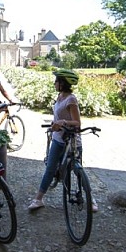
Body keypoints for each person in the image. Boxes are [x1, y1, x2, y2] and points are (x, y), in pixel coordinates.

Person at [27, 69, 98, 212]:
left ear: (63, 83)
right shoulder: (59, 97)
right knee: (50, 168)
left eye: (57, 81)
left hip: (72, 141)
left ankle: (91, 199)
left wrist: (63, 122)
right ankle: (39, 199)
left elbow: (77, 123)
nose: (54, 83)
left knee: (78, 171)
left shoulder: (71, 99)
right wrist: (54, 125)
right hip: (58, 139)